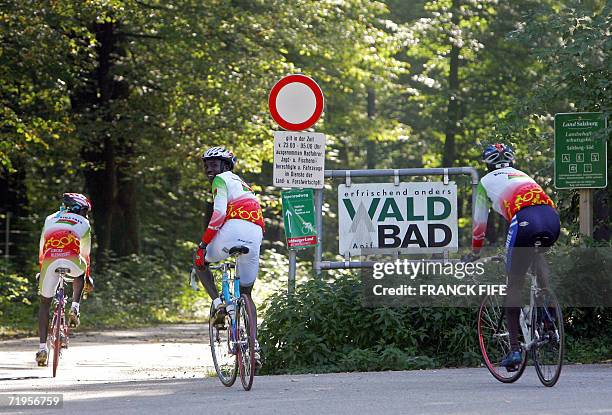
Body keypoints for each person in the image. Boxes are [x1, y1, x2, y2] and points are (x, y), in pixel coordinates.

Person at [465, 143, 560, 371]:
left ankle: (515, 349)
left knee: (513, 285)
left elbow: (480, 225)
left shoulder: (485, 183)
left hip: (524, 221)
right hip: (551, 219)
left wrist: (475, 252)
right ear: (511, 161)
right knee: (536, 257)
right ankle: (550, 318)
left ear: (487, 164)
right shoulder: (523, 175)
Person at [194, 146, 264, 365]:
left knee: (200, 261)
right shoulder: (243, 184)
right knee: (247, 293)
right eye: (206, 165)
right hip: (255, 234)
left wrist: (203, 244)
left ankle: (218, 303)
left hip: (233, 229)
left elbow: (219, 214)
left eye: (213, 164)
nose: (208, 169)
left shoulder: (221, 180)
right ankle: (254, 347)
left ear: (225, 166)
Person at [36, 193, 94, 366]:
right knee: (81, 269)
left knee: (44, 304)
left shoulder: (49, 219)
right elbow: (86, 254)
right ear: (80, 209)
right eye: (85, 211)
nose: (86, 215)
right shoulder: (84, 223)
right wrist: (88, 277)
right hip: (72, 260)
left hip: (49, 261)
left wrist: (41, 270)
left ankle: (42, 349)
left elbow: (42, 248)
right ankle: (75, 307)